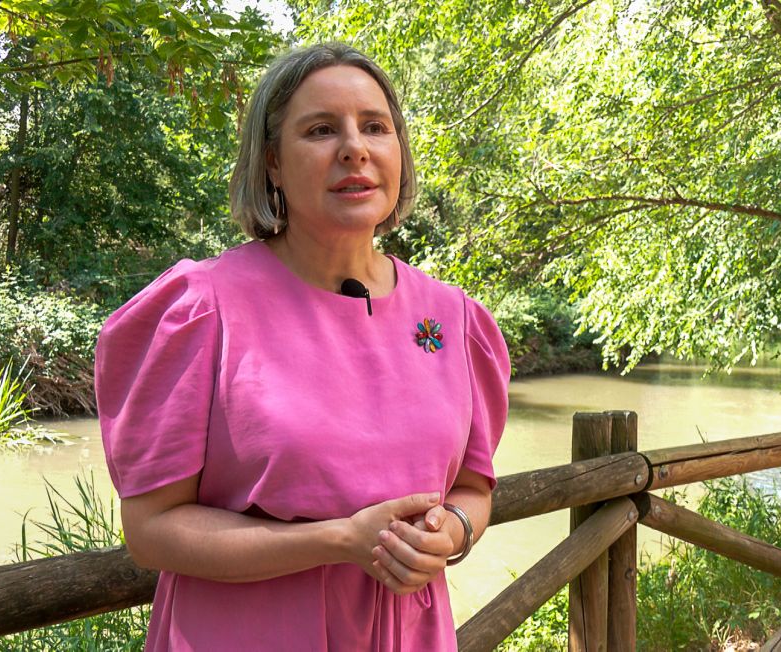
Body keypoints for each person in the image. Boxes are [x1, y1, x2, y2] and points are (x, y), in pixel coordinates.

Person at [95, 42, 510, 651]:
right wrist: (338, 540)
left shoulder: (455, 318)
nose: (354, 148)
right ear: (272, 163)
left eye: (375, 127)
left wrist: (453, 531)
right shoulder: (203, 310)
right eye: (321, 130)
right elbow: (151, 530)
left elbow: (473, 489)